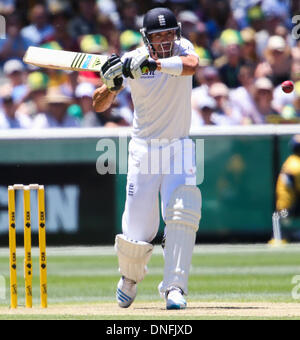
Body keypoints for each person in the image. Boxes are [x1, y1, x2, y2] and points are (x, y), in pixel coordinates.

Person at [93, 7, 201, 310]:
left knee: (182, 212)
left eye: (169, 34)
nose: (166, 40)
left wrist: (152, 63)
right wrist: (113, 85)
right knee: (138, 232)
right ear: (147, 38)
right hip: (144, 150)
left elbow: (191, 66)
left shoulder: (183, 49)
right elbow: (98, 104)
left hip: (179, 146)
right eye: (158, 36)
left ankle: (175, 288)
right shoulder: (131, 61)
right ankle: (129, 277)